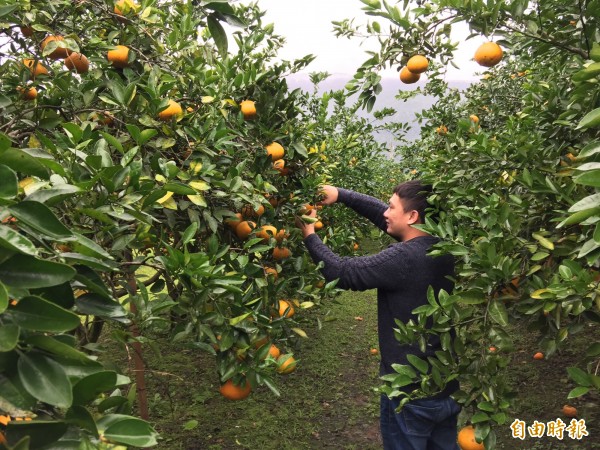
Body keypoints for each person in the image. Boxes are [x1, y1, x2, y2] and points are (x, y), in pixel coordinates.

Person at [296, 180, 460, 450]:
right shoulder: (444, 245)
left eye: (392, 206)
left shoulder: (404, 258)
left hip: (409, 393)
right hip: (444, 384)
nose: (385, 211)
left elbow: (342, 273)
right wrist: (341, 195)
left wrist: (310, 234)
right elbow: (384, 217)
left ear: (412, 216)